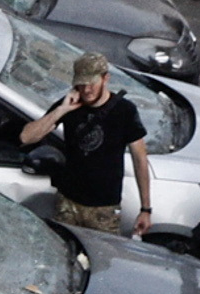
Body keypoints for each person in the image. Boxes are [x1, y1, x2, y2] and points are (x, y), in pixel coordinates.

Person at [16, 56, 155, 234]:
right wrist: (62, 110)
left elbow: (140, 159)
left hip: (104, 208)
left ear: (106, 79)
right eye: (81, 84)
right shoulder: (69, 105)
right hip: (68, 202)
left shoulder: (124, 111)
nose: (87, 90)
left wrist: (146, 209)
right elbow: (27, 137)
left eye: (92, 84)